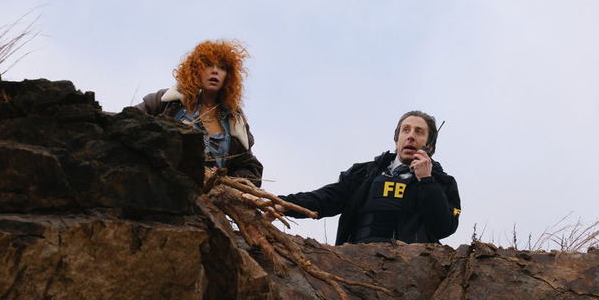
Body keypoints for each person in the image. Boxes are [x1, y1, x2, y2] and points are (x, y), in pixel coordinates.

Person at [273, 110, 461, 245]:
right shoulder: (363, 174)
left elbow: (444, 227)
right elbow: (325, 198)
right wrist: (284, 204)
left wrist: (427, 180)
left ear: (430, 147)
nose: (411, 136)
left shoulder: (443, 183)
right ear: (396, 141)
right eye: (406, 130)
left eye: (419, 132)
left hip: (411, 268)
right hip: (358, 262)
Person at [135, 39, 263, 186]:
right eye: (208, 65)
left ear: (228, 76)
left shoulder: (234, 121)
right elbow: (128, 123)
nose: (215, 71)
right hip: (158, 185)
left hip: (206, 197)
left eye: (222, 67)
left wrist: (225, 179)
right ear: (196, 70)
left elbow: (252, 169)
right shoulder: (168, 101)